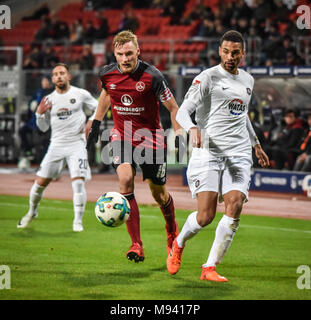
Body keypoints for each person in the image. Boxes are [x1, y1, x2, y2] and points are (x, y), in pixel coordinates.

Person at [166, 30, 270, 282]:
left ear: (242, 54)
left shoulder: (248, 80)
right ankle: (179, 243)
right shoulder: (207, 78)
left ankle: (209, 267)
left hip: (239, 151)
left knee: (234, 205)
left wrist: (256, 144)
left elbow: (242, 113)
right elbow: (182, 111)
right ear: (219, 51)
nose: (230, 56)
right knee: (205, 216)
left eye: (235, 52)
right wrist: (191, 128)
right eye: (225, 51)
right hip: (209, 151)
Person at [87, 30, 184, 263]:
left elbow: (173, 108)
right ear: (115, 54)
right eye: (120, 54)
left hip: (150, 139)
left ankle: (171, 229)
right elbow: (107, 94)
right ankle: (136, 244)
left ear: (138, 51)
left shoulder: (153, 76)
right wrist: (97, 122)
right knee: (125, 180)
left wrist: (179, 135)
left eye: (129, 53)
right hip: (121, 136)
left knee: (158, 194)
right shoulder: (107, 74)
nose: (125, 58)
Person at [17, 63, 98, 232]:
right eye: (56, 74)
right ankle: (32, 212)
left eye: (62, 73)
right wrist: (39, 114)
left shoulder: (80, 94)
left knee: (78, 182)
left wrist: (91, 121)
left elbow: (98, 106)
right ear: (53, 79)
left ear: (68, 76)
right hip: (56, 145)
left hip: (77, 144)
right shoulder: (48, 100)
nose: (59, 76)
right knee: (39, 184)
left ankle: (78, 221)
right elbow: (44, 128)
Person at [19, 76, 52, 159]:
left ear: (49, 82)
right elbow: (31, 104)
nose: (44, 82)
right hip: (33, 121)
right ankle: (28, 150)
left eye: (46, 81)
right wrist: (28, 115)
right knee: (22, 130)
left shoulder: (52, 93)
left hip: (44, 121)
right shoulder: (38, 92)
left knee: (43, 141)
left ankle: (41, 160)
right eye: (43, 81)